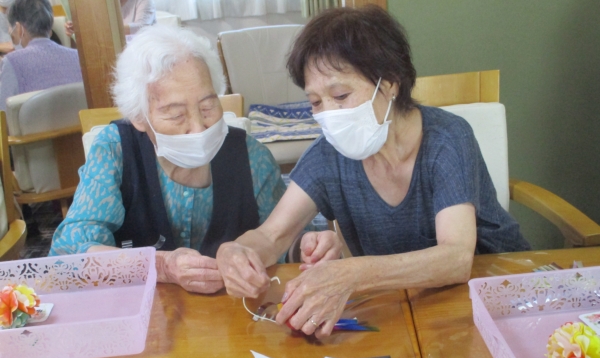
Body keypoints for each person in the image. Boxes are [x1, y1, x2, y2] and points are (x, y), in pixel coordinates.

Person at [216, 6, 531, 338]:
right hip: (408, 303)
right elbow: (271, 236)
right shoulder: (328, 155)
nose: (329, 114)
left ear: (390, 83)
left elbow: (456, 257)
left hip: (504, 293)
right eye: (316, 102)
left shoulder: (448, 139)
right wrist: (236, 251)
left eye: (341, 95)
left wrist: (350, 274)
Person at [49, 25, 340, 294]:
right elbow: (70, 253)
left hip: (234, 316)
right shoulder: (116, 151)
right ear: (139, 117)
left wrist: (307, 248)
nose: (199, 128)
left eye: (208, 107)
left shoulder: (250, 157)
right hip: (144, 316)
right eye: (176, 115)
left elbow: (283, 240)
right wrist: (161, 266)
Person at [0, 0, 82, 111]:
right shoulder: (77, 57)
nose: (10, 32)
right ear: (50, 29)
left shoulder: (11, 62)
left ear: (19, 28)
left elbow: (3, 113)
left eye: (11, 28)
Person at [64, 0, 156, 39]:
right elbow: (91, 23)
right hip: (110, 52)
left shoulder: (144, 1)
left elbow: (141, 27)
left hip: (141, 52)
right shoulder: (104, 3)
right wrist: (76, 27)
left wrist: (104, 30)